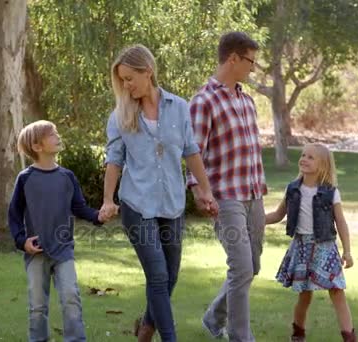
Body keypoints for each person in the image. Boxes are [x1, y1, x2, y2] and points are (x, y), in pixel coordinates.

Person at [100, 44, 216, 342]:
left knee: (170, 277)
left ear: (147, 71)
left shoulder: (178, 107)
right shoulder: (120, 115)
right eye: (122, 80)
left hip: (172, 203)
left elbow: (191, 151)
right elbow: (114, 160)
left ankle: (145, 331)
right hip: (137, 204)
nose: (126, 85)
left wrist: (205, 190)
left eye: (129, 78)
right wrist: (108, 200)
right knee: (158, 275)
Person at [186, 31, 266, 342]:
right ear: (233, 58)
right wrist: (198, 191)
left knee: (252, 267)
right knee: (242, 267)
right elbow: (193, 152)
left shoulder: (246, 100)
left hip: (253, 194)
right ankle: (240, 337)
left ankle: (213, 317)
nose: (253, 68)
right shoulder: (203, 101)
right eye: (250, 61)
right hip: (225, 197)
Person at [8, 120, 109, 342]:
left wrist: (98, 217)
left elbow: (79, 207)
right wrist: (22, 241)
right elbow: (14, 215)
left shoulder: (67, 177)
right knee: (37, 306)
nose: (57, 136)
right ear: (37, 146)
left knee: (71, 298)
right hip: (36, 252)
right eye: (52, 134)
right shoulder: (25, 179)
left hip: (63, 250)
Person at [265, 143, 357, 342]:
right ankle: (298, 335)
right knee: (304, 294)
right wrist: (254, 220)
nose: (304, 159)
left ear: (323, 165)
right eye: (303, 155)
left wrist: (347, 251)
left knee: (337, 291)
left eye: (310, 157)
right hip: (302, 247)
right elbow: (278, 215)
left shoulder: (331, 193)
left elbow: (341, 222)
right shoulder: (292, 189)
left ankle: (350, 338)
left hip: (325, 247)